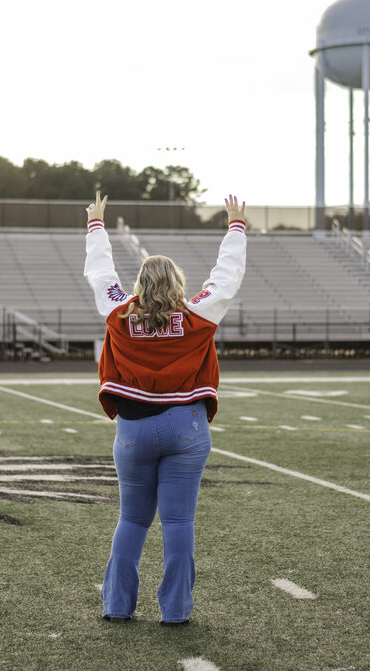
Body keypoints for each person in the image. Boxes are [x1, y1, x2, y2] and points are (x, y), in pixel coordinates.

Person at [84, 190, 247, 625]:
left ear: (139, 286)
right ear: (177, 285)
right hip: (186, 426)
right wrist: (235, 226)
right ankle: (175, 612)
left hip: (134, 429)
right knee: (178, 523)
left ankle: (118, 605)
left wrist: (96, 225)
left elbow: (100, 274)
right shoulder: (197, 314)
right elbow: (226, 278)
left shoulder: (119, 312)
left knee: (132, 520)